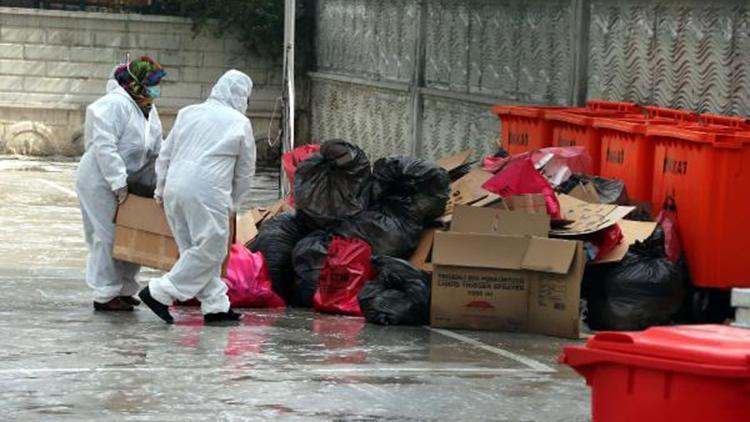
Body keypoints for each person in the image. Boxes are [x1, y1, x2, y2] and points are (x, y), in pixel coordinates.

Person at [139, 69, 256, 325]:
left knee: (195, 251)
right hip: (208, 191)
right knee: (211, 250)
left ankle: (215, 306)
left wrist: (161, 188)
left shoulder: (188, 112)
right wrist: (233, 204)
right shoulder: (239, 122)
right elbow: (245, 172)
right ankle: (160, 292)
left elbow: (166, 154)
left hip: (174, 189)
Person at [76, 56, 166, 311]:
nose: (156, 88)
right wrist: (117, 182)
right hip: (100, 180)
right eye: (152, 82)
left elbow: (157, 145)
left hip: (131, 181)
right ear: (137, 82)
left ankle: (126, 289)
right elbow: (104, 146)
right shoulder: (113, 105)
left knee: (131, 235)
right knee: (107, 236)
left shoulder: (147, 107)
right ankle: (105, 293)